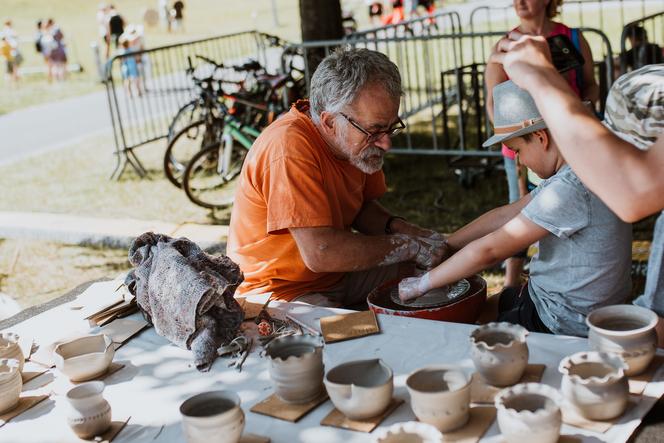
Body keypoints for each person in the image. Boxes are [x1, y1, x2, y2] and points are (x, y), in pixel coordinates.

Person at [399, 80, 632, 337]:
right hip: (560, 301)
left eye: (517, 150)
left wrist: (420, 285)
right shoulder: (582, 168)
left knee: (460, 333)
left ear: (541, 138)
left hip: (562, 318)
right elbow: (507, 214)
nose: (519, 161)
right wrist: (445, 245)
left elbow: (490, 250)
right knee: (476, 311)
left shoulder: (569, 189)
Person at [227, 48, 446, 308]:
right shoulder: (289, 148)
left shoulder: (353, 142)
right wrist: (407, 246)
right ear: (330, 122)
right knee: (353, 339)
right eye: (375, 131)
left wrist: (407, 232)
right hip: (279, 292)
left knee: (443, 279)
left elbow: (361, 209)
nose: (385, 143)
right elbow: (321, 252)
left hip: (335, 274)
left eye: (391, 128)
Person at [489, 32, 664, 345]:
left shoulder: (574, 186)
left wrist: (537, 75)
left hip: (560, 322)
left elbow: (631, 195)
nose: (606, 172)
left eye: (627, 152)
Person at [485, 0, 599, 291]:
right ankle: (512, 282)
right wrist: (515, 146)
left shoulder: (572, 39)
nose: (519, 2)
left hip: (571, 144)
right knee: (519, 210)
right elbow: (492, 102)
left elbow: (591, 84)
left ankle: (570, 278)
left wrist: (583, 110)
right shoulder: (505, 46)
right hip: (524, 146)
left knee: (571, 205)